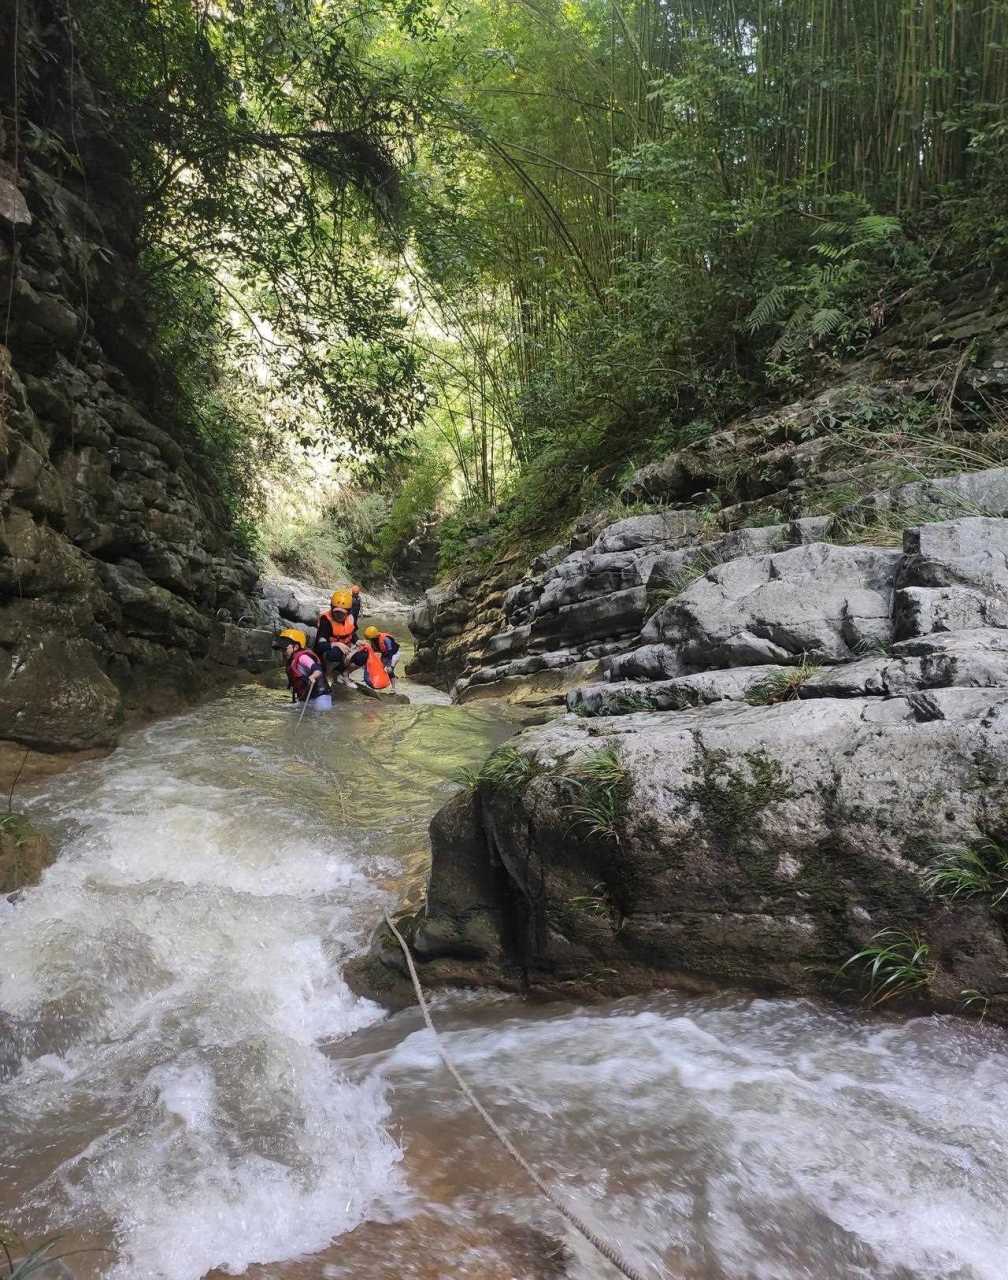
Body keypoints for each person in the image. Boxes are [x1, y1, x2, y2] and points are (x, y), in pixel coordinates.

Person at [275, 628, 332, 710]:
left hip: (320, 697)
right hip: (307, 698)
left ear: (296, 647)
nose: (282, 652)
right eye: (281, 650)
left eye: (285, 649)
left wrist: (313, 676)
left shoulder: (303, 657)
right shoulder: (291, 660)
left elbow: (317, 669)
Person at [315, 590, 357, 682]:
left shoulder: (350, 619)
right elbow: (319, 646)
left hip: (346, 652)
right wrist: (335, 644)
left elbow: (353, 635)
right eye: (336, 612)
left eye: (342, 613)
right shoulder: (325, 622)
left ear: (348, 612)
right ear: (332, 608)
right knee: (335, 652)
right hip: (329, 655)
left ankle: (344, 674)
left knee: (364, 653)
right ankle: (328, 674)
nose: (339, 615)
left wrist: (358, 643)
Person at [349, 625, 401, 691]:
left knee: (389, 670)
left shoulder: (386, 639)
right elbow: (372, 651)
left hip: (394, 654)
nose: (370, 640)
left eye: (371, 639)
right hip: (385, 654)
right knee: (380, 668)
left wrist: (389, 665)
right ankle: (377, 682)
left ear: (375, 637)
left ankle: (394, 688)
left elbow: (390, 652)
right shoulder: (374, 641)